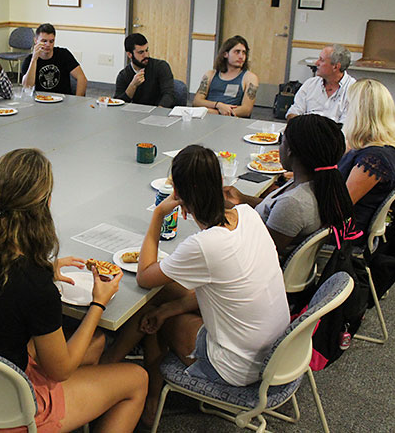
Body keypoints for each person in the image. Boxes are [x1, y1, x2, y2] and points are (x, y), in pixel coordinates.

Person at [0, 149, 147, 432]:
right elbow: (60, 370)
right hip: (8, 413)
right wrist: (98, 304)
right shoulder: (34, 285)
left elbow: (1, 294)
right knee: (137, 378)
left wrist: (46, 270)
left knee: (96, 343)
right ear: (46, 204)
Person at [103, 145, 288, 424]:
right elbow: (226, 292)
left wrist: (157, 216)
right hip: (277, 351)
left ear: (177, 193)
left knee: (151, 304)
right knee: (161, 302)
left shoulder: (205, 246)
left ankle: (144, 394)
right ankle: (115, 367)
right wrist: (170, 308)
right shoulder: (247, 215)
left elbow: (144, 276)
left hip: (238, 366)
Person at [223, 114, 355, 260]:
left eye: (282, 143)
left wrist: (225, 211)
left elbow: (261, 250)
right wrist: (242, 199)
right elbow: (275, 211)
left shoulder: (294, 203)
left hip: (257, 265)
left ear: (290, 150)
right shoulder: (315, 182)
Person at [340, 79, 395, 235]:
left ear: (359, 112)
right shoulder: (383, 144)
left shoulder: (373, 160)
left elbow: (338, 207)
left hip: (346, 230)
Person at [286, 44, 356, 123]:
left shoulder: (353, 90)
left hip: (334, 134)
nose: (316, 63)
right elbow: (293, 113)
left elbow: (346, 126)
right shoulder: (310, 84)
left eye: (321, 60)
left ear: (336, 67)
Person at [193, 35, 258, 117]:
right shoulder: (210, 74)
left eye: (244, 53)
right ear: (225, 54)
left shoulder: (250, 78)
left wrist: (215, 113)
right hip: (206, 117)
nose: (241, 56)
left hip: (229, 120)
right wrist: (218, 105)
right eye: (237, 52)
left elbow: (246, 110)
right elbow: (197, 102)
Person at [21, 23, 88, 96]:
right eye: (44, 41)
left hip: (63, 101)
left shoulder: (63, 54)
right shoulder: (29, 60)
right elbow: (27, 86)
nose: (48, 45)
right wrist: (34, 59)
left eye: (51, 41)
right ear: (36, 40)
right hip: (40, 100)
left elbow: (82, 78)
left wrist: (77, 102)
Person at [114, 33, 176, 107]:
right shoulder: (123, 75)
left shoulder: (161, 67)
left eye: (146, 50)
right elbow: (118, 104)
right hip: (134, 115)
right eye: (141, 52)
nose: (146, 55)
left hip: (158, 112)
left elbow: (169, 95)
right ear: (129, 54)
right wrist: (133, 85)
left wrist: (158, 112)